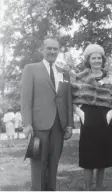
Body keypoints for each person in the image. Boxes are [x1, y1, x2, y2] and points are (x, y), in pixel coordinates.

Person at [21, 37, 74, 191]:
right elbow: (26, 99)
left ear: (58, 51)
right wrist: (27, 124)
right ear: (42, 50)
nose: (52, 51)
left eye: (55, 49)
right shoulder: (30, 69)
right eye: (49, 48)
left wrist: (69, 124)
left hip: (59, 125)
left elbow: (67, 100)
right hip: (38, 125)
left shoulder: (64, 72)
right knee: (38, 164)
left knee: (53, 164)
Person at [72, 44, 112, 190]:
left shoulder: (110, 77)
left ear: (103, 59)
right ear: (88, 60)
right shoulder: (80, 77)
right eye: (93, 58)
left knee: (102, 158)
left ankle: (99, 189)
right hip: (88, 118)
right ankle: (88, 189)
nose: (97, 61)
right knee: (88, 158)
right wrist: (80, 113)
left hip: (104, 119)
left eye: (99, 58)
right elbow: (70, 99)